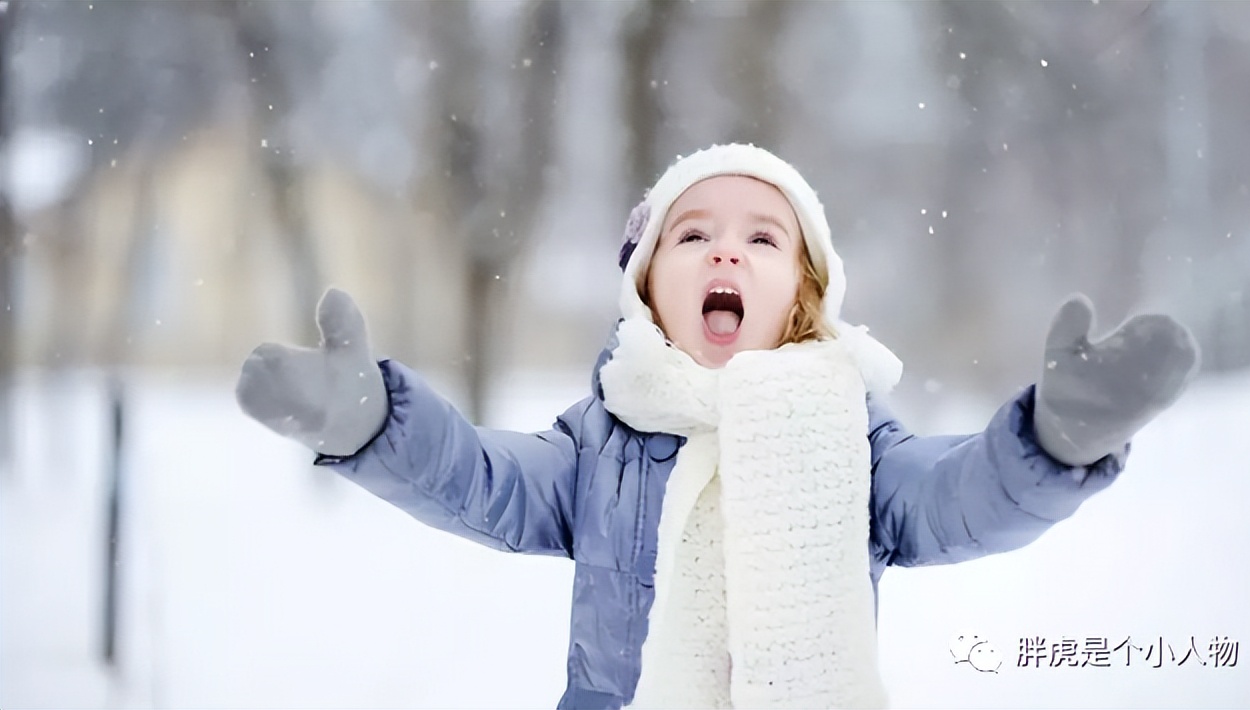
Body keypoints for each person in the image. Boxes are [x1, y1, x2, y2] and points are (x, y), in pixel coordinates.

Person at [236, 144, 1200, 709]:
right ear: (647, 289)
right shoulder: (602, 437)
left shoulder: (850, 433)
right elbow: (483, 478)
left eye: (762, 237)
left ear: (803, 297)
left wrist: (1051, 441)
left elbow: (957, 499)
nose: (725, 249)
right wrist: (375, 425)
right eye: (691, 235)